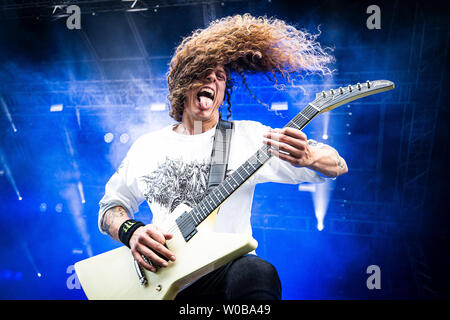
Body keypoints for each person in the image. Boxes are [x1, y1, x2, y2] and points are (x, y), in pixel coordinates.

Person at [98, 14, 348, 300]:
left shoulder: (249, 137)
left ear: (222, 93)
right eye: (203, 72)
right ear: (182, 83)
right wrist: (132, 232)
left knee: (257, 272)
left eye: (220, 77)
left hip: (225, 271)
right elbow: (110, 207)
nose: (212, 80)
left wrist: (310, 157)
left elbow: (338, 165)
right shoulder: (147, 146)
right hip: (165, 279)